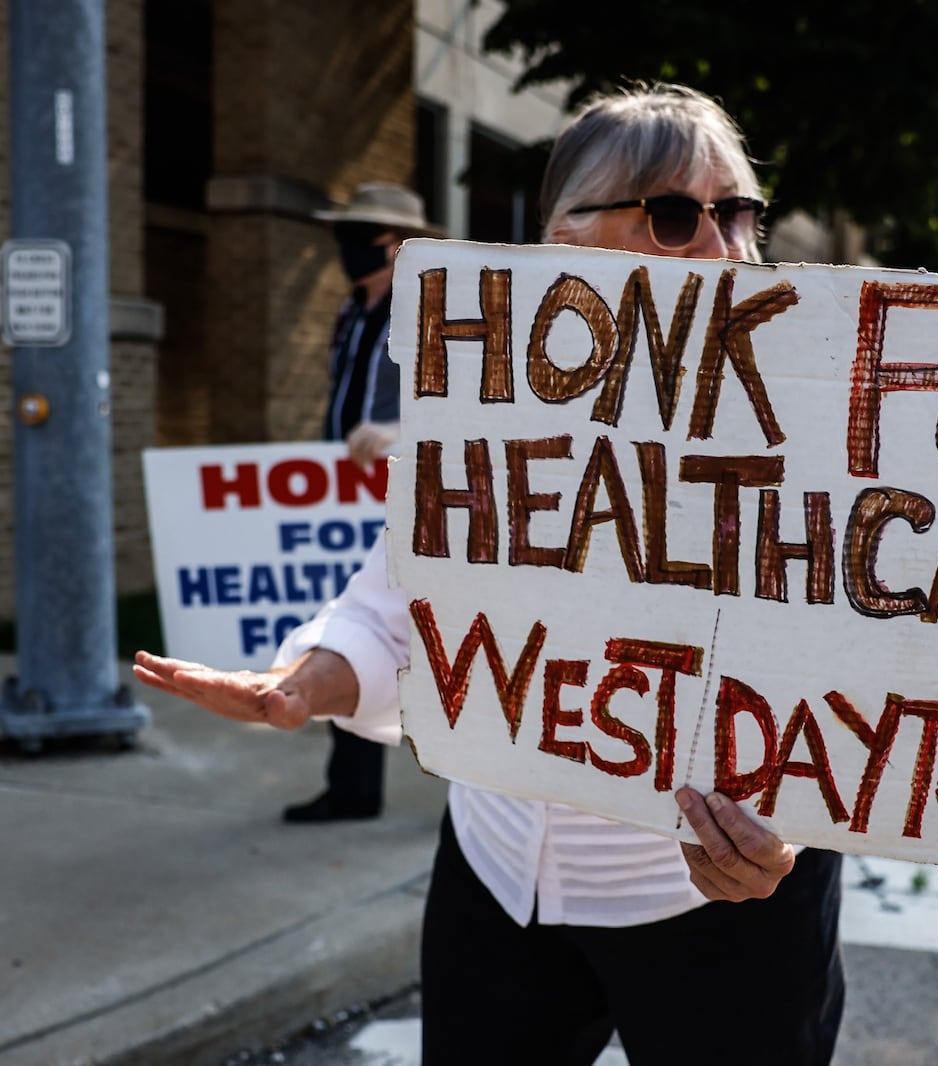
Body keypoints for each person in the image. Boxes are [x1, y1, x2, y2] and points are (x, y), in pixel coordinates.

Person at [135, 84, 844, 1066]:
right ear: (564, 240)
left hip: (720, 888)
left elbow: (863, 674)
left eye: (736, 214)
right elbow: (394, 608)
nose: (722, 248)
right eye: (677, 216)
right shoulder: (478, 409)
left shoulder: (816, 429)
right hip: (498, 874)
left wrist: (788, 827)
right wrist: (298, 684)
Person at [282, 182, 440, 824]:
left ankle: (472, 787)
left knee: (433, 641)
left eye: (361, 238)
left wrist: (402, 434)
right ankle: (351, 786)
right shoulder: (351, 313)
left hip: (412, 493)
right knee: (352, 625)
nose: (346, 251)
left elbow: (463, 413)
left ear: (398, 245)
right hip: (345, 496)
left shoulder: (429, 313)